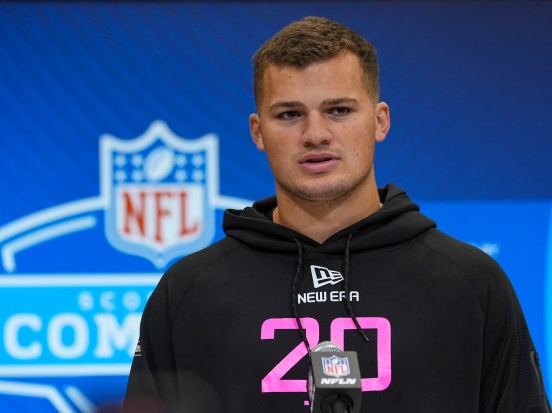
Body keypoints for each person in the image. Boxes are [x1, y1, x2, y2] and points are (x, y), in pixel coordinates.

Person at [123, 16, 551, 413]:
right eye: (290, 114)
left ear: (380, 121)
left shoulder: (471, 282)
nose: (315, 134)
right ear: (258, 132)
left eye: (339, 111)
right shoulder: (188, 290)